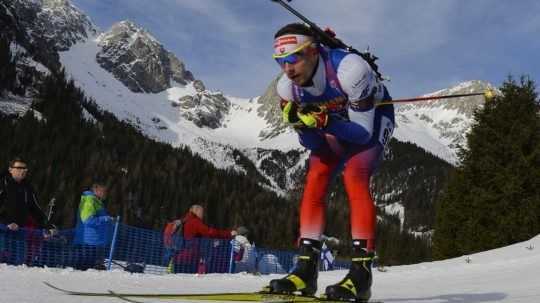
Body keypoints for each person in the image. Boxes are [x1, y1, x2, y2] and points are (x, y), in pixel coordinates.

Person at [266, 23, 395, 302]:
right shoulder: (288, 89)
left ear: (313, 51)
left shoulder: (350, 70)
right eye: (279, 61)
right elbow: (315, 146)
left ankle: (361, 273)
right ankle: (306, 268)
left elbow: (361, 135)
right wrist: (302, 126)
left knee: (355, 174)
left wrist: (325, 120)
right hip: (339, 122)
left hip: (373, 119)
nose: (287, 69)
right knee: (316, 177)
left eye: (292, 59)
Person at [0, 157, 56, 265]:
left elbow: (35, 209)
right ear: (10, 169)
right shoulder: (3, 184)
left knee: (20, 265)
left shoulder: (27, 187)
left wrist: (48, 226)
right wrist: (7, 223)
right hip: (3, 233)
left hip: (20, 233)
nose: (23, 170)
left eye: (25, 168)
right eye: (19, 168)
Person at [172, 204, 237, 273]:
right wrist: (228, 234)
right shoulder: (195, 222)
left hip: (180, 255)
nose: (203, 215)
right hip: (190, 256)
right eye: (201, 212)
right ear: (196, 211)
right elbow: (209, 232)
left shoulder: (185, 220)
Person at [73, 181, 113, 270]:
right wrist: (105, 219)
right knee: (86, 270)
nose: (106, 193)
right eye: (104, 191)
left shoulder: (97, 202)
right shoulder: (89, 200)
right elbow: (87, 220)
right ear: (96, 190)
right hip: (88, 243)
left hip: (95, 241)